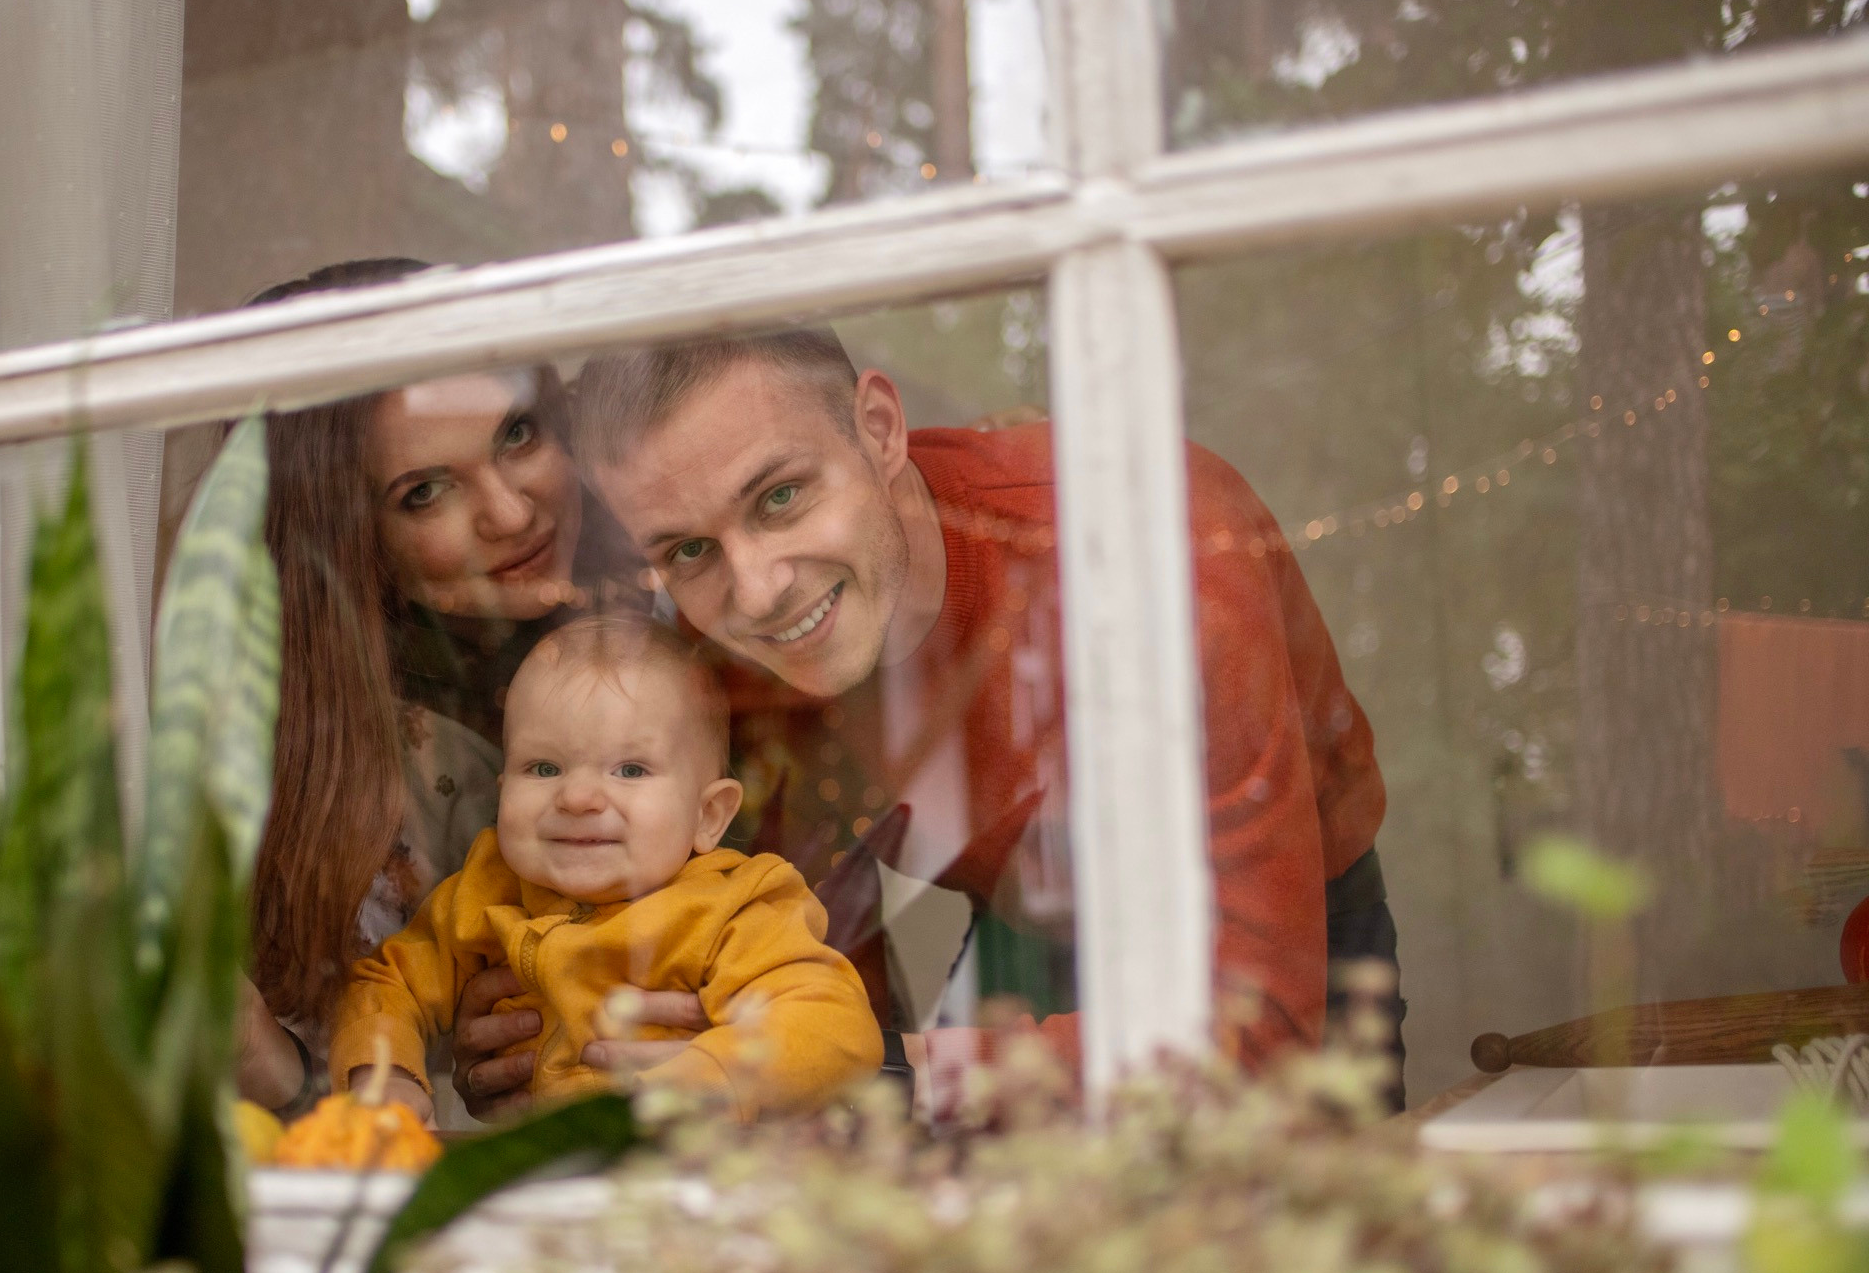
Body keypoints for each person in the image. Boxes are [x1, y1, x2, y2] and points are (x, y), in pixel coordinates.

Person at [450, 327, 1399, 1117]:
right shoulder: (722, 663)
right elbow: (792, 939)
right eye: (690, 550)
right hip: (1017, 917)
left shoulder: (1154, 553)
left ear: (879, 428)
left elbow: (1258, 1034)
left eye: (781, 497)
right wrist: (554, 1006)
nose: (758, 590)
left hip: (1270, 914)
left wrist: (879, 1074)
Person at [227, 258, 643, 1117]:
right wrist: (458, 1069)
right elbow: (338, 1110)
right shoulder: (335, 767)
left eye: (518, 435)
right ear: (350, 541)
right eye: (424, 492)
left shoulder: (688, 589)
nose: (511, 513)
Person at [329, 614, 881, 1121]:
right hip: (533, 1175)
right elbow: (386, 983)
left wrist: (711, 1079)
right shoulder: (485, 892)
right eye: (543, 768)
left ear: (708, 815)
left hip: (687, 1172)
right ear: (502, 792)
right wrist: (386, 1076)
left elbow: (831, 1021)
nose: (578, 797)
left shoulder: (733, 908)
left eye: (630, 770)